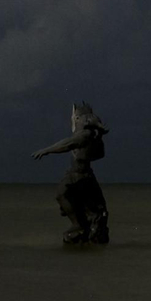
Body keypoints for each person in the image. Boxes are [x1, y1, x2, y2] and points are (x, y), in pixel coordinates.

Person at [31, 102, 110, 244]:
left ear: (79, 119)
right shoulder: (89, 135)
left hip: (79, 175)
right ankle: (82, 226)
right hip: (80, 174)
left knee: (61, 194)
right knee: (71, 199)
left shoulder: (85, 135)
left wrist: (46, 150)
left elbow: (67, 144)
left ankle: (78, 225)